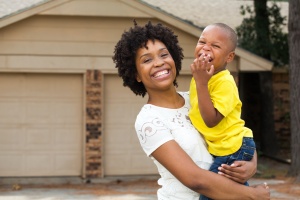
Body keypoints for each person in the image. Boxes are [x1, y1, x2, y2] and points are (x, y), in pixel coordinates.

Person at [112, 20, 269, 200]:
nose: (158, 63)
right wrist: (253, 195)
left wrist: (251, 162)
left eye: (164, 55)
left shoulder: (197, 98)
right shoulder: (149, 120)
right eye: (147, 60)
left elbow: (234, 131)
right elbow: (195, 179)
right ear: (136, 75)